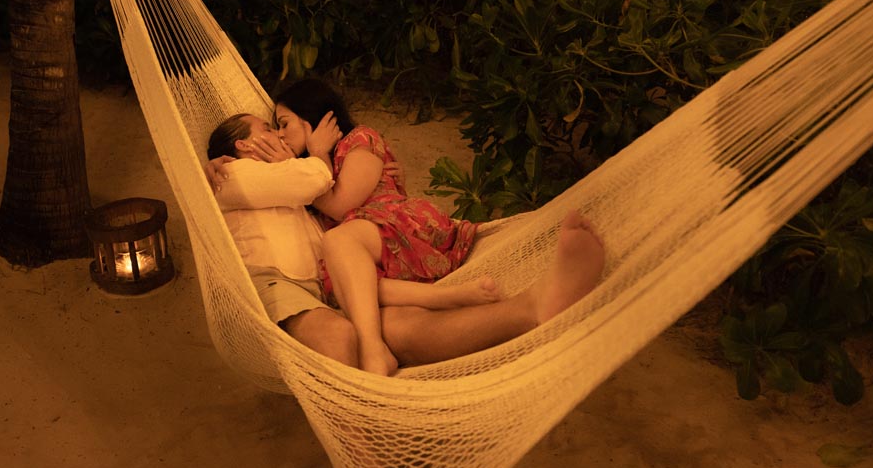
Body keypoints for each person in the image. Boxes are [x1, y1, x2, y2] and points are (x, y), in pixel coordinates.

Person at [205, 111, 606, 373]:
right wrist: (311, 155)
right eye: (267, 128)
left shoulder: (299, 178)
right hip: (289, 286)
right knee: (350, 330)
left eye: (280, 124)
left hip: (329, 290)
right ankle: (370, 430)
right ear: (242, 145)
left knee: (398, 328)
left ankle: (530, 309)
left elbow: (331, 196)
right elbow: (312, 180)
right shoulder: (233, 175)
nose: (277, 134)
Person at [272, 79, 480, 376]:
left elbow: (341, 206)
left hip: (402, 228)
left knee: (339, 243)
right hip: (365, 254)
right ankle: (449, 298)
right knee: (351, 285)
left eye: (284, 124)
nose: (280, 134)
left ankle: (372, 351)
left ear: (312, 116)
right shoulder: (305, 170)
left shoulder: (359, 139)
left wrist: (317, 153)